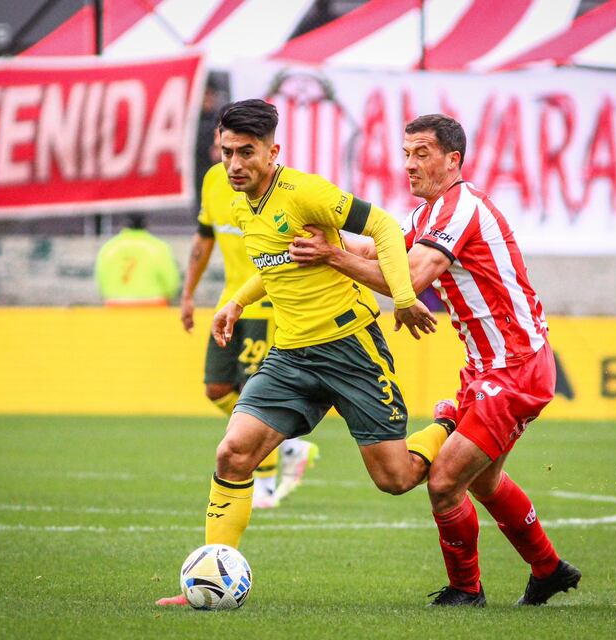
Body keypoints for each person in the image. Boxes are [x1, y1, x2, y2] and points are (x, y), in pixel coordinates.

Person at [157, 98, 446, 606]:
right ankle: (209, 579)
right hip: (291, 355)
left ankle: (447, 421)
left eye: (247, 153)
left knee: (396, 479)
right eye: (227, 153)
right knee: (233, 453)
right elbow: (274, 266)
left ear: (274, 152)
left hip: (350, 347)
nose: (235, 165)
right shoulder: (240, 200)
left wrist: (403, 298)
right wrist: (234, 303)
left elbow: (381, 226)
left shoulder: (305, 192)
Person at [289, 114, 580, 607]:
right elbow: (380, 251)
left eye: (421, 154)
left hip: (515, 366)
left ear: (453, 160)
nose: (409, 164)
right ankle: (549, 569)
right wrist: (329, 234)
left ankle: (467, 591)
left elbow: (411, 279)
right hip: (491, 367)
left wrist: (332, 258)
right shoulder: (429, 216)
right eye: (405, 154)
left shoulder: (459, 209)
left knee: (445, 481)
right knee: (483, 480)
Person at [180, 131, 318, 511]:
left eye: (242, 149)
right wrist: (189, 293)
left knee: (254, 393)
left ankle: (266, 485)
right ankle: (288, 444)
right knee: (217, 387)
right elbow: (204, 237)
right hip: (230, 303)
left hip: (269, 303)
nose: (231, 158)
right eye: (224, 148)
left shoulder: (278, 188)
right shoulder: (211, 181)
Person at [94, 214, 180, 307]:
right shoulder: (159, 247)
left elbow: (100, 279)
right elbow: (171, 282)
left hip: (115, 305)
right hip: (153, 305)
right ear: (146, 226)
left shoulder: (109, 247)